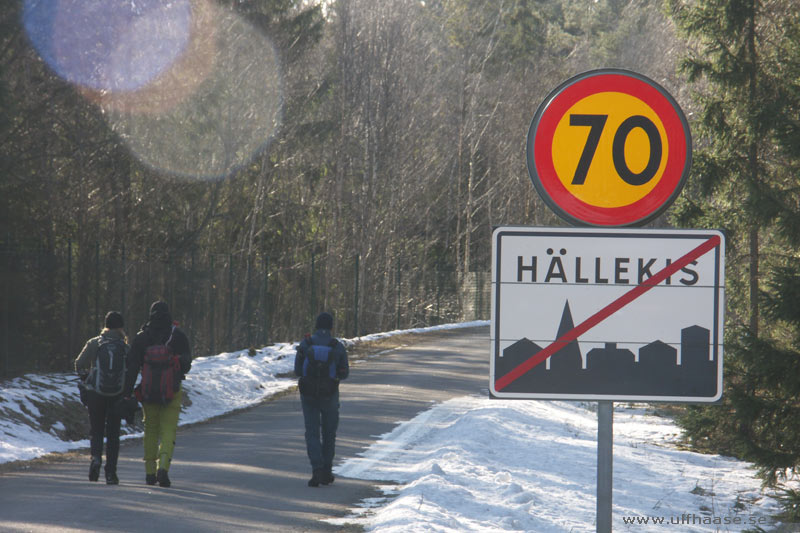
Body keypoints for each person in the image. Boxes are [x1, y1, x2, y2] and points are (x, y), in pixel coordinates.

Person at [124, 300, 191, 488]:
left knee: (151, 430)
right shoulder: (177, 336)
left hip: (147, 391)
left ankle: (149, 472)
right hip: (172, 390)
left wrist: (127, 393)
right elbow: (187, 363)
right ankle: (163, 467)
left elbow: (131, 368)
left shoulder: (141, 337)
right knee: (168, 430)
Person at [294, 312, 349, 487]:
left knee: (312, 432)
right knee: (329, 433)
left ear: (316, 326)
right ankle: (327, 471)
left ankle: (316, 470)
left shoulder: (306, 343)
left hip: (308, 394)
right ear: (331, 327)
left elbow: (297, 370)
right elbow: (345, 373)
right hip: (330, 394)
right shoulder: (337, 346)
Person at [74, 311, 129, 485]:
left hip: (95, 393)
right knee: (113, 434)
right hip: (117, 395)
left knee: (96, 430)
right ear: (121, 327)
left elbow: (79, 363)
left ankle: (95, 459)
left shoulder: (95, 343)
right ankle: (111, 473)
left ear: (105, 325)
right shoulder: (124, 346)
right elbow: (132, 368)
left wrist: (87, 378)